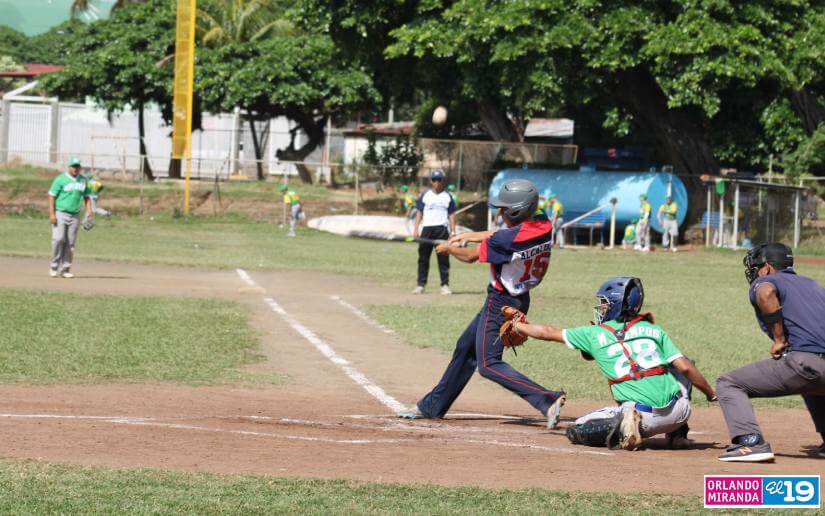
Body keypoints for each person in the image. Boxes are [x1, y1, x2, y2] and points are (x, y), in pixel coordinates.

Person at [400, 179, 566, 427]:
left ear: (517, 210)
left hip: (501, 302)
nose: (501, 212)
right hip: (519, 297)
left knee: (489, 364)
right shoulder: (543, 223)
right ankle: (432, 405)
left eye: (504, 208)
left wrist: (448, 249)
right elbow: (499, 236)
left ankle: (546, 398)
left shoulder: (506, 240)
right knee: (466, 348)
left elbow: (470, 256)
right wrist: (467, 236)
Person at [510, 276, 717, 450]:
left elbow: (548, 332)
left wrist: (518, 326)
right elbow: (686, 367)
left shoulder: (593, 334)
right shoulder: (653, 329)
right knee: (681, 365)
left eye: (605, 304)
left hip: (645, 419)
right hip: (679, 412)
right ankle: (678, 435)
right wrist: (710, 394)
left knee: (578, 428)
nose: (601, 309)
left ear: (615, 305)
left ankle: (626, 425)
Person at [715, 243, 825, 462]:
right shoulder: (813, 285)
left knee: (728, 383)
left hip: (806, 362)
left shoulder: (767, 281)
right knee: (812, 383)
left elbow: (765, 293)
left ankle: (749, 443)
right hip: (816, 368)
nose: (756, 273)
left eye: (757, 267)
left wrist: (779, 339)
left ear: (767, 267)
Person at [412, 170, 456, 295]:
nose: (437, 182)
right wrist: (416, 229)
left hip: (441, 229)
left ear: (442, 181)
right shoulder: (425, 195)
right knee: (423, 258)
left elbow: (452, 214)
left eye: (439, 180)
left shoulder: (447, 196)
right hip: (427, 229)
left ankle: (445, 285)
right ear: (431, 181)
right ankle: (421, 285)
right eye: (434, 180)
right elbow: (419, 212)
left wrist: (453, 231)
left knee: (443, 259)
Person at [48, 157, 93, 278]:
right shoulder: (60, 179)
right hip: (61, 212)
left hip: (75, 214)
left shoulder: (83, 180)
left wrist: (89, 212)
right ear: (69, 167)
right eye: (73, 166)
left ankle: (65, 269)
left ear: (80, 167)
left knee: (70, 242)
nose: (75, 169)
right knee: (58, 239)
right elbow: (51, 196)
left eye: (77, 166)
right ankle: (54, 266)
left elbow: (87, 197)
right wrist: (52, 214)